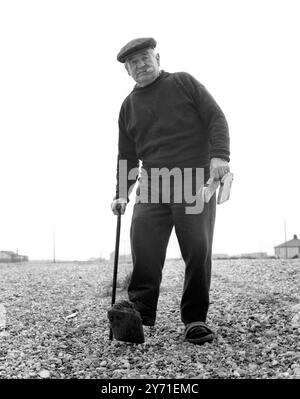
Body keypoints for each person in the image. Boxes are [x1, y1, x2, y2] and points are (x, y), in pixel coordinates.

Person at [110, 37, 230, 345]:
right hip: (151, 184)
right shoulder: (128, 107)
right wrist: (122, 192)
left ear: (158, 57)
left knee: (197, 249)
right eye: (133, 63)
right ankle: (139, 314)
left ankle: (194, 319)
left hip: (192, 178)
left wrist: (220, 156)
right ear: (128, 71)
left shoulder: (183, 83)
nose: (141, 64)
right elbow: (127, 156)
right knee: (144, 246)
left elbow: (216, 118)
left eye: (145, 57)